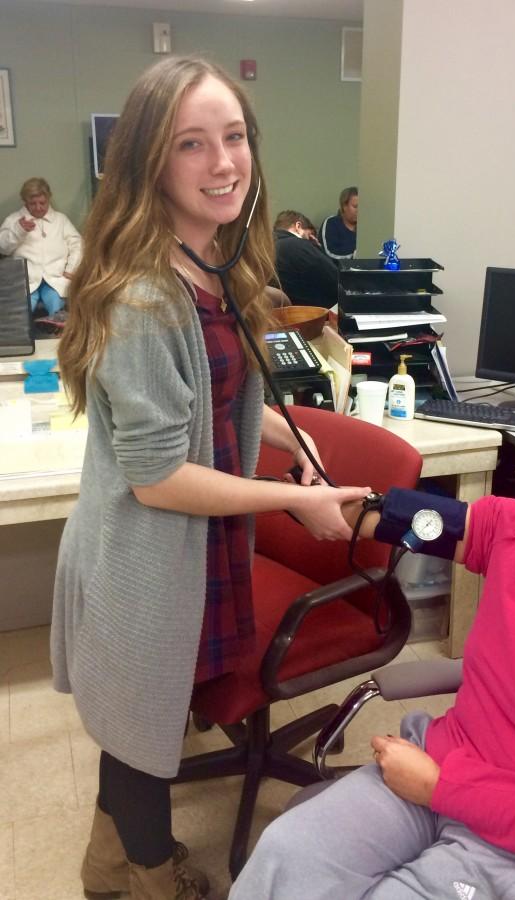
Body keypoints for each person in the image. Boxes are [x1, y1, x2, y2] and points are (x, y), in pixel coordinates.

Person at [51, 56, 370, 900]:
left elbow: (212, 399)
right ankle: (153, 881)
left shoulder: (212, 263)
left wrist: (285, 441)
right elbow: (159, 476)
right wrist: (299, 498)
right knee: (143, 736)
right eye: (192, 145)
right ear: (150, 162)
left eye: (233, 137)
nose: (223, 162)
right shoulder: (144, 294)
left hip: (189, 549)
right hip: (143, 553)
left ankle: (102, 866)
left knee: (138, 724)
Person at [231, 384, 515, 900]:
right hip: (439, 770)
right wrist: (315, 496)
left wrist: (439, 788)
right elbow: (413, 521)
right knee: (286, 853)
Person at [0, 177, 82, 317]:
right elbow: (3, 248)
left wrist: (71, 270)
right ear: (25, 202)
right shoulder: (14, 220)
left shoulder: (60, 220)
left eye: (42, 203)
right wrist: (19, 230)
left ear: (48, 199)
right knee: (21, 316)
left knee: (56, 307)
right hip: (25, 281)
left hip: (55, 278)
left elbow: (78, 245)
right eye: (32, 203)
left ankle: (56, 329)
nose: (38, 207)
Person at [273, 209, 338, 306]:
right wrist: (316, 248)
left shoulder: (265, 247)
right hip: (312, 315)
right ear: (298, 226)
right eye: (309, 235)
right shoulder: (297, 245)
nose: (311, 240)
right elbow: (335, 278)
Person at [319, 186, 358, 259]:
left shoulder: (367, 227)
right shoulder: (331, 223)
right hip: (336, 269)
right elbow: (329, 253)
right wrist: (356, 255)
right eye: (355, 206)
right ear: (344, 206)